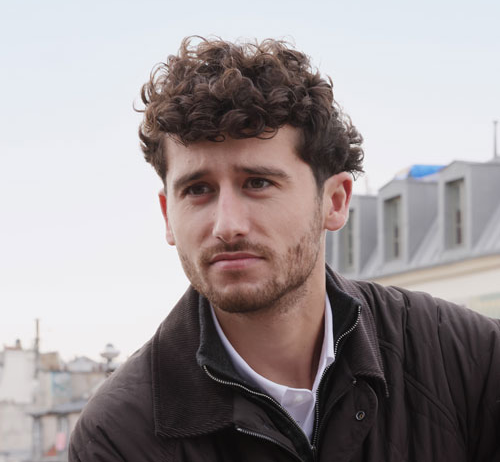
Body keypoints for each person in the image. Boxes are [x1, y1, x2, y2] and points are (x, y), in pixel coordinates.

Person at [69, 37, 500, 461]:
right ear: (168, 216)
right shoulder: (119, 437)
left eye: (257, 183)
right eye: (197, 190)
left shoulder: (467, 358)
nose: (227, 226)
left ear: (335, 201)